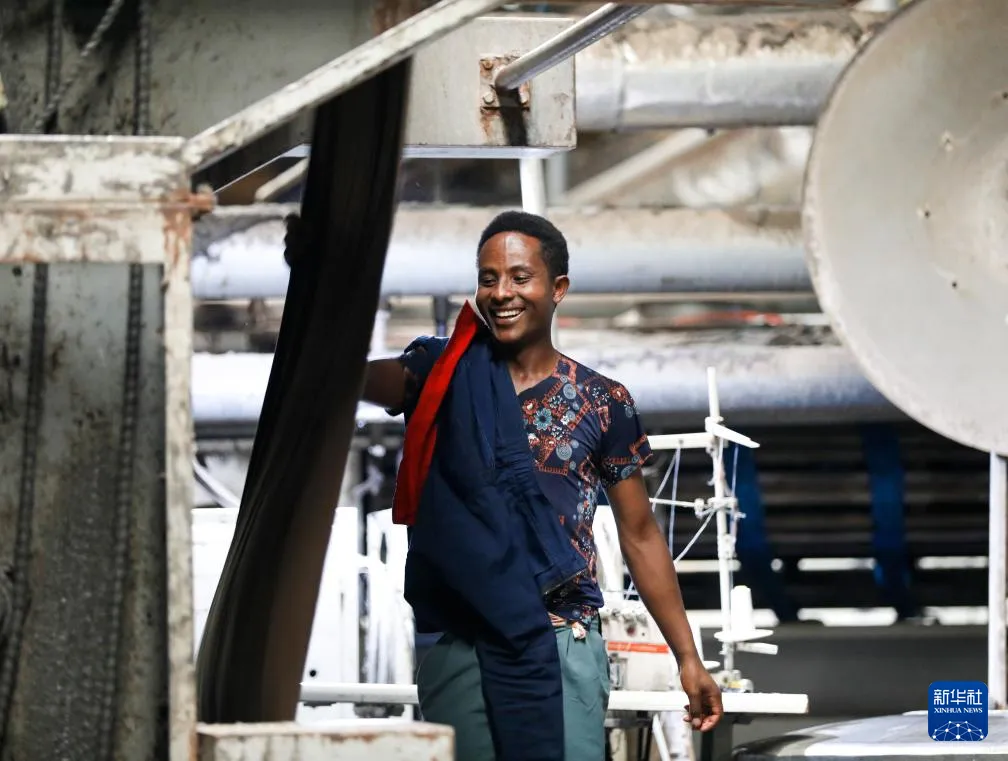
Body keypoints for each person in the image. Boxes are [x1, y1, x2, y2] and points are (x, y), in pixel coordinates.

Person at [284, 210, 723, 760]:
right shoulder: (438, 373)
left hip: (561, 641)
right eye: (488, 279)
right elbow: (339, 375)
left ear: (557, 288)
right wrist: (316, 286)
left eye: (520, 277)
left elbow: (639, 534)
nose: (501, 293)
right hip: (463, 644)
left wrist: (687, 657)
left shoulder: (601, 401)